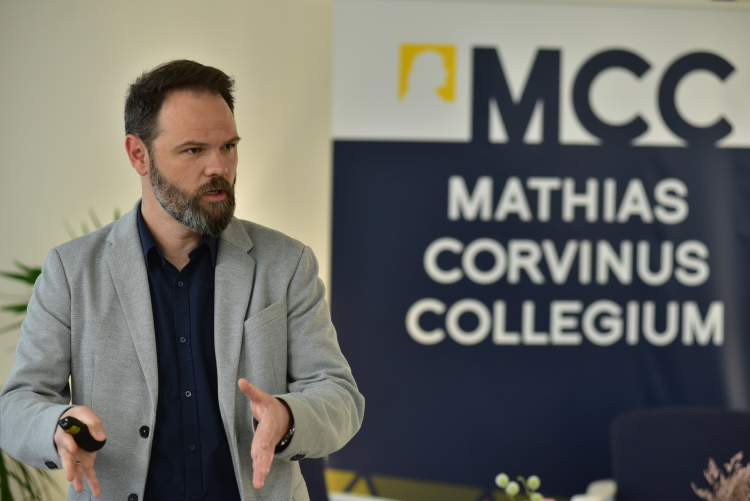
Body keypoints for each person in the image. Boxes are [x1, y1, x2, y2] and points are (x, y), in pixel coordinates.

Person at [0, 60, 364, 501]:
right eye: (194, 150)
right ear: (139, 155)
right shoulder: (71, 270)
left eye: (228, 146)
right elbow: (17, 405)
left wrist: (286, 417)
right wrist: (58, 426)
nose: (219, 167)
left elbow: (340, 398)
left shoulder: (286, 263)